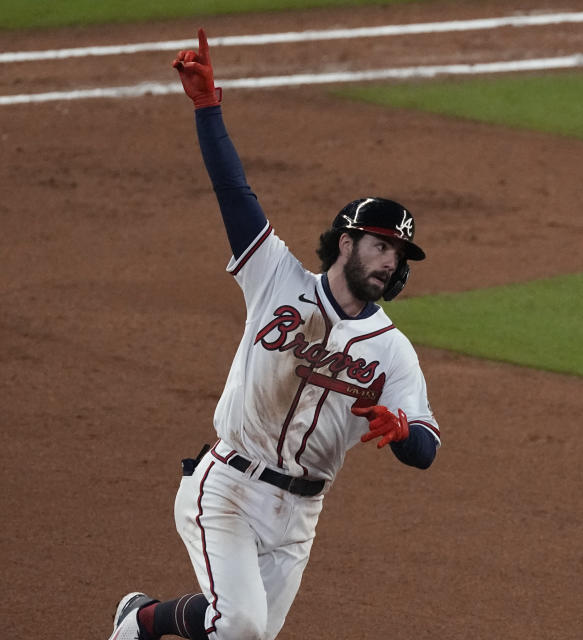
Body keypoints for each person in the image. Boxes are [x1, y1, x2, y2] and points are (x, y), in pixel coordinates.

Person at [107, 28, 441, 640]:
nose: (391, 261)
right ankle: (143, 619)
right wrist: (209, 110)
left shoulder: (393, 351)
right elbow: (234, 193)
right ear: (347, 242)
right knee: (240, 628)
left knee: (241, 637)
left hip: (300, 516)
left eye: (399, 254)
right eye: (380, 246)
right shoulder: (275, 277)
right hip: (229, 486)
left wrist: (400, 433)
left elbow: (426, 446)